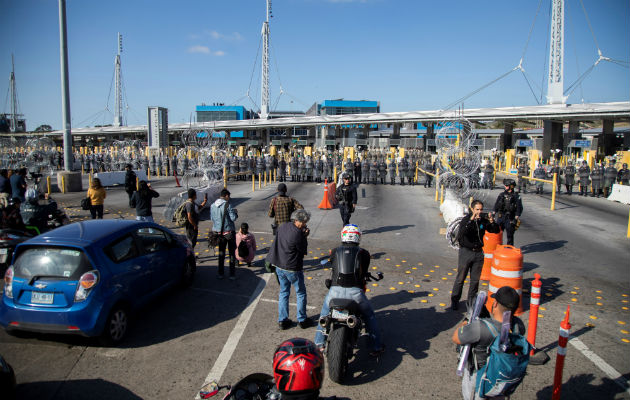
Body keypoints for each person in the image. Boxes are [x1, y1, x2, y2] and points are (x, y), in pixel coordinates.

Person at [314, 224, 385, 356]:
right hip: (355, 293)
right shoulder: (364, 253)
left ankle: (319, 344)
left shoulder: (334, 251)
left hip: (335, 291)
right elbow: (364, 271)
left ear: (343, 236)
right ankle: (376, 346)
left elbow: (331, 264)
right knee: (369, 316)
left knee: (323, 315)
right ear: (358, 237)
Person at [451, 286, 526, 400]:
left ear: (495, 304)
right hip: (501, 381)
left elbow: (456, 337)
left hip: (480, 379)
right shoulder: (518, 327)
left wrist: (467, 320)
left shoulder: (482, 327)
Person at [266, 209, 311, 330]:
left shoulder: (283, 226)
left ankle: (283, 319)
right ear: (297, 221)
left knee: (284, 292)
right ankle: (302, 319)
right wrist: (304, 236)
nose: (305, 224)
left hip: (279, 264)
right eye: (304, 222)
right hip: (292, 267)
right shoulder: (298, 234)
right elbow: (303, 250)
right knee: (300, 292)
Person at [451, 200, 500, 311]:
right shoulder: (466, 220)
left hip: (478, 253)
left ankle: (471, 302)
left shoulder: (482, 221)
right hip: (466, 252)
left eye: (481, 209)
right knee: (461, 277)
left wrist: (492, 221)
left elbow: (495, 230)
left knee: (475, 280)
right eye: (477, 209)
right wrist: (471, 220)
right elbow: (462, 233)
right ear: (472, 209)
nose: (479, 212)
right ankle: (455, 300)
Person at [210, 189, 238, 280]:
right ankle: (232, 274)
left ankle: (220, 273)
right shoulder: (228, 205)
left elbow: (212, 218)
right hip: (229, 232)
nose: (229, 198)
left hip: (218, 233)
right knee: (231, 254)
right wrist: (236, 213)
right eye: (228, 196)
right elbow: (233, 218)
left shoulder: (212, 205)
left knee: (221, 253)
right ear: (226, 196)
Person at [493, 179, 523, 246]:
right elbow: (496, 204)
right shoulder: (501, 195)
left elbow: (519, 208)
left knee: (510, 235)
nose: (505, 187)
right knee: (497, 233)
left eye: (507, 186)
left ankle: (509, 249)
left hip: (510, 218)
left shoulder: (516, 196)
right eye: (505, 185)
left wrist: (516, 218)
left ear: (511, 186)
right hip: (501, 216)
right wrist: (493, 213)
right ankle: (498, 247)